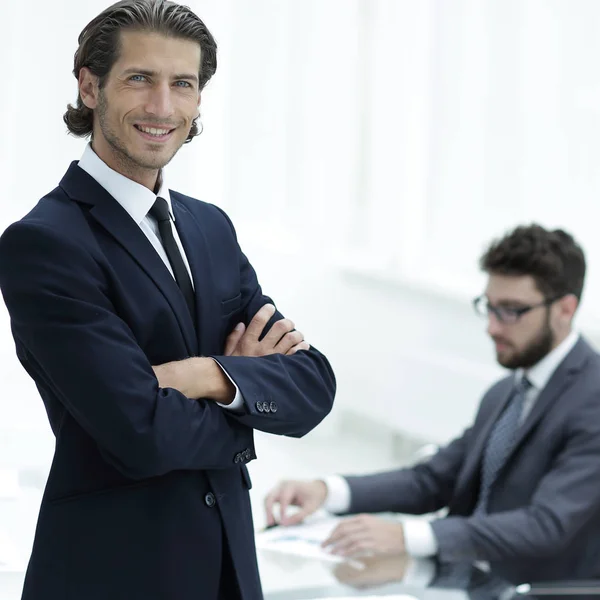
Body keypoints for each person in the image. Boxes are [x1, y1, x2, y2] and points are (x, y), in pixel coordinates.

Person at [0, 1, 336, 599]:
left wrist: (202, 374)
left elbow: (312, 387)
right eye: (139, 79)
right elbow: (138, 432)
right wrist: (246, 384)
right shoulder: (45, 243)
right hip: (113, 576)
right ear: (88, 86)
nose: (162, 107)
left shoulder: (210, 229)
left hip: (230, 574)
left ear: (199, 100)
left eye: (182, 84)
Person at [265, 224, 600, 584]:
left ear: (565, 309)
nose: (492, 327)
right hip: (468, 579)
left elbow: (545, 525)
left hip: (542, 588)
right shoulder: (507, 391)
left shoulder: (591, 396)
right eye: (489, 307)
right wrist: (327, 490)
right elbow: (433, 480)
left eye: (511, 311)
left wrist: (408, 535)